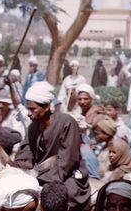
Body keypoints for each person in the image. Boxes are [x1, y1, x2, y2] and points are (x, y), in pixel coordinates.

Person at [14, 81, 90, 211]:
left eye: (33, 109)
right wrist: (19, 168)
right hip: (38, 176)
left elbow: (66, 162)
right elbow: (26, 152)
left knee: (58, 199)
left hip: (67, 176)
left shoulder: (67, 123)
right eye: (28, 109)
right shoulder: (33, 127)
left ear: (47, 107)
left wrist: (39, 180)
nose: (28, 113)